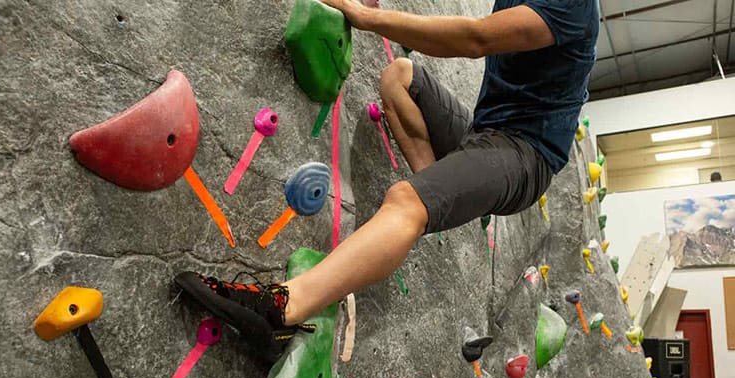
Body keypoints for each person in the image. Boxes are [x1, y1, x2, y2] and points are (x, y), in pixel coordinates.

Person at [175, 0, 600, 357]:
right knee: (400, 76)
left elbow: (477, 38)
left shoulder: (574, 6)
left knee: (404, 200)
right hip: (482, 134)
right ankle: (439, 191)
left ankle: (281, 311)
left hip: (526, 156)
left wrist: (364, 16)